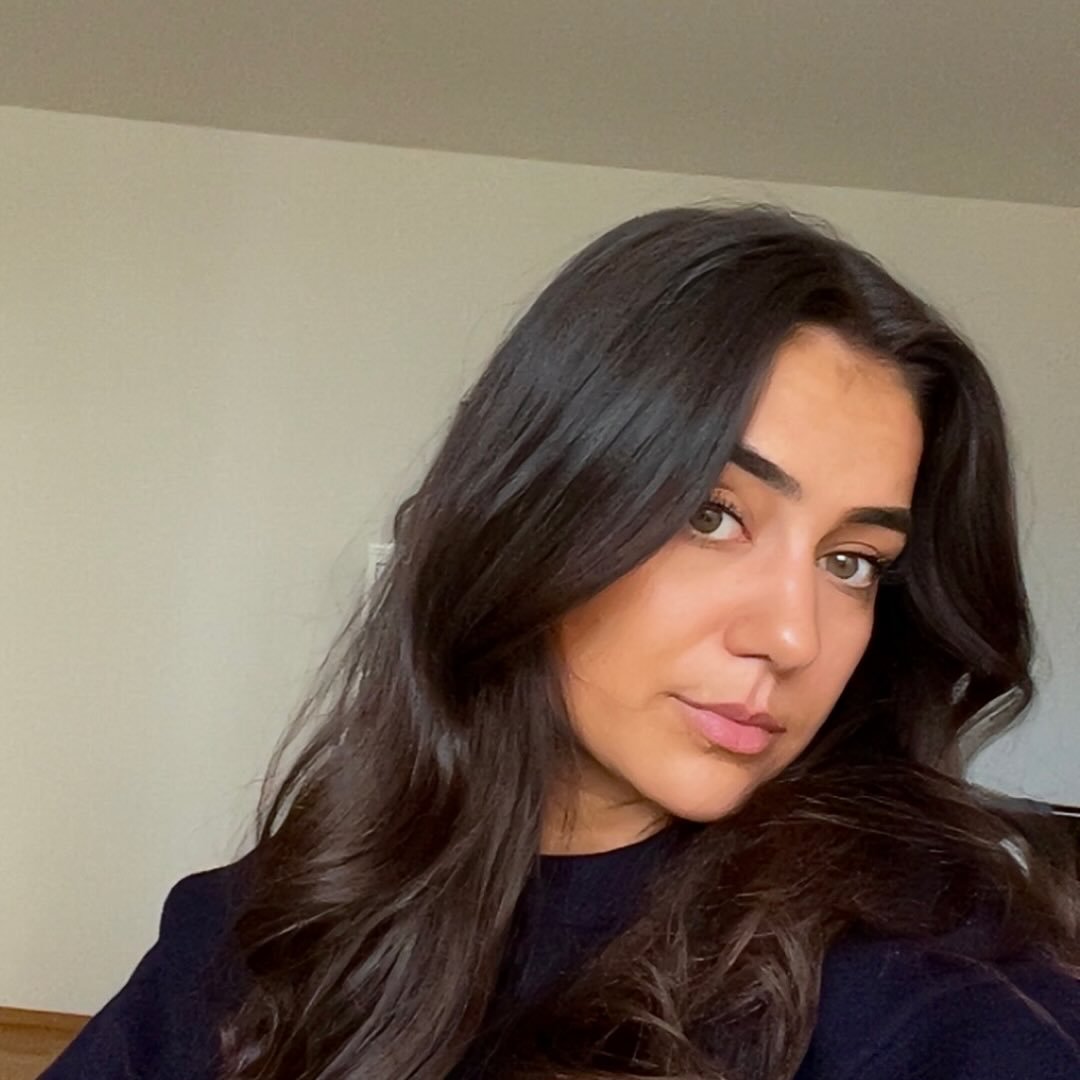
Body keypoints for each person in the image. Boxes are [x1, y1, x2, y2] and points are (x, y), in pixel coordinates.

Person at [45, 204, 1080, 1080]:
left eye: (851, 561)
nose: (791, 635)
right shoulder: (252, 934)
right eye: (712, 514)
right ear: (538, 510)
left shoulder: (930, 986)